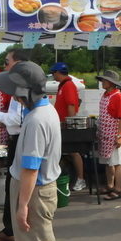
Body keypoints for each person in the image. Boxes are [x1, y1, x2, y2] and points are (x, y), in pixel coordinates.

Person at [0, 61, 62, 241]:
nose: (13, 96)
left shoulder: (36, 120)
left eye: (14, 91)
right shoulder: (46, 110)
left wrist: (22, 206)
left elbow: (31, 169)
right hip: (37, 190)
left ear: (24, 92)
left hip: (33, 192)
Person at [0, 48, 29, 241]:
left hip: (20, 140)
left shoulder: (22, 86)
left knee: (15, 185)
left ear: (18, 63)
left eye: (7, 62)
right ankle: (10, 228)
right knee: (13, 184)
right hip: (17, 138)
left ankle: (12, 230)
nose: (5, 65)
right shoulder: (18, 85)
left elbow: (19, 119)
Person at [51, 62, 85, 192]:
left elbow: (71, 105)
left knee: (74, 151)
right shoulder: (63, 85)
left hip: (66, 125)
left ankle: (81, 179)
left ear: (57, 72)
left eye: (53, 73)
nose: (53, 76)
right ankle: (68, 177)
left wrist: (70, 124)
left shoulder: (68, 85)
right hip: (62, 124)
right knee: (69, 152)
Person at [96, 71, 121, 201]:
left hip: (113, 135)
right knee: (108, 163)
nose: (102, 82)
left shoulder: (117, 97)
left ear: (111, 83)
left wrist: (119, 136)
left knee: (117, 163)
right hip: (104, 134)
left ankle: (118, 190)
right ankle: (110, 185)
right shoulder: (105, 95)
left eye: (104, 80)